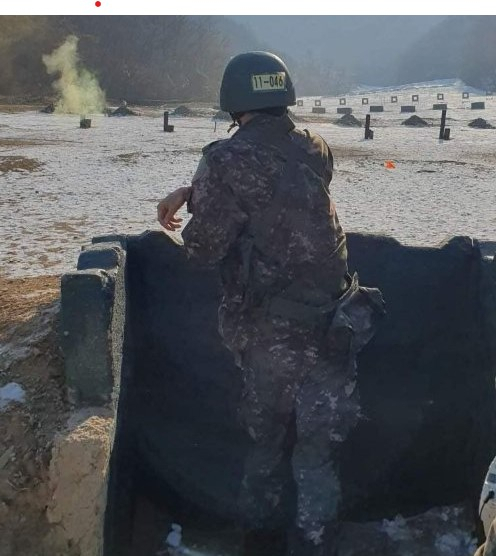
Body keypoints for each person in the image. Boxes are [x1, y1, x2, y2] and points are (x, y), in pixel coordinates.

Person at [157, 51, 384, 556]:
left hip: (272, 338)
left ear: (233, 100)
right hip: (337, 324)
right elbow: (280, 190)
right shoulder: (315, 147)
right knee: (318, 454)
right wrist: (196, 189)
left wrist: (195, 195)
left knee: (265, 448)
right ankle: (316, 544)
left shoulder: (224, 159)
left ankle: (259, 543)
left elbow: (203, 249)